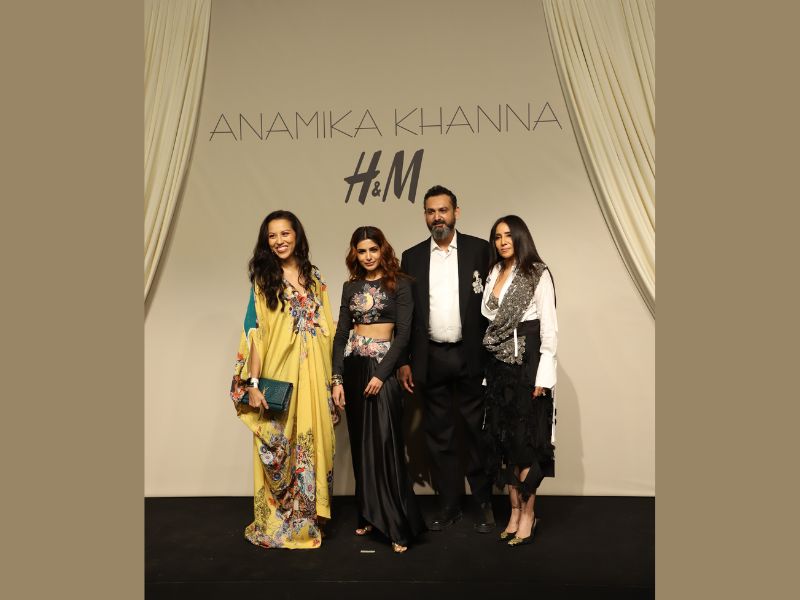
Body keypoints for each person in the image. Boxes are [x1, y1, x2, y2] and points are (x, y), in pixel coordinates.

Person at [229, 210, 338, 549]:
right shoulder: (264, 281)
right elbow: (255, 335)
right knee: (280, 448)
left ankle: (309, 520)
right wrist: (253, 385)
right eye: (272, 236)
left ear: (297, 235)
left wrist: (335, 380)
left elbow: (330, 329)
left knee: (317, 444)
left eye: (285, 233)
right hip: (281, 377)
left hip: (315, 379)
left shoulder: (315, 279)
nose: (279, 241)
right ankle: (279, 523)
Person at [397, 185, 496, 533]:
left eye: (443, 210)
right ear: (425, 216)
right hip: (431, 357)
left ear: (456, 212)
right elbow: (406, 314)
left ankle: (484, 503)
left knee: (477, 432)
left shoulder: (480, 251)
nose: (437, 217)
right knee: (439, 435)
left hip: (472, 355)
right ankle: (449, 505)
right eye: (431, 211)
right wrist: (405, 360)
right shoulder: (411, 257)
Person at [331, 226, 426, 553]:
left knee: (385, 444)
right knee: (361, 445)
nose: (368, 256)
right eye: (362, 251)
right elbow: (341, 334)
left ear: (382, 249)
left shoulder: (401, 284)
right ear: (355, 254)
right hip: (354, 368)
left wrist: (383, 374)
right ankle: (369, 514)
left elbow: (404, 336)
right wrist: (337, 379)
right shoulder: (350, 287)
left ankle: (398, 525)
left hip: (381, 369)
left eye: (373, 249)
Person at [481, 215, 558, 546]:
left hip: (527, 363)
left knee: (525, 443)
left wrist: (544, 376)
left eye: (508, 235)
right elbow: (490, 317)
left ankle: (529, 514)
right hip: (498, 364)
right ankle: (513, 512)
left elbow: (549, 329)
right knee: (504, 442)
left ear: (520, 237)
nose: (502, 241)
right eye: (497, 236)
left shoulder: (537, 273)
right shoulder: (494, 272)